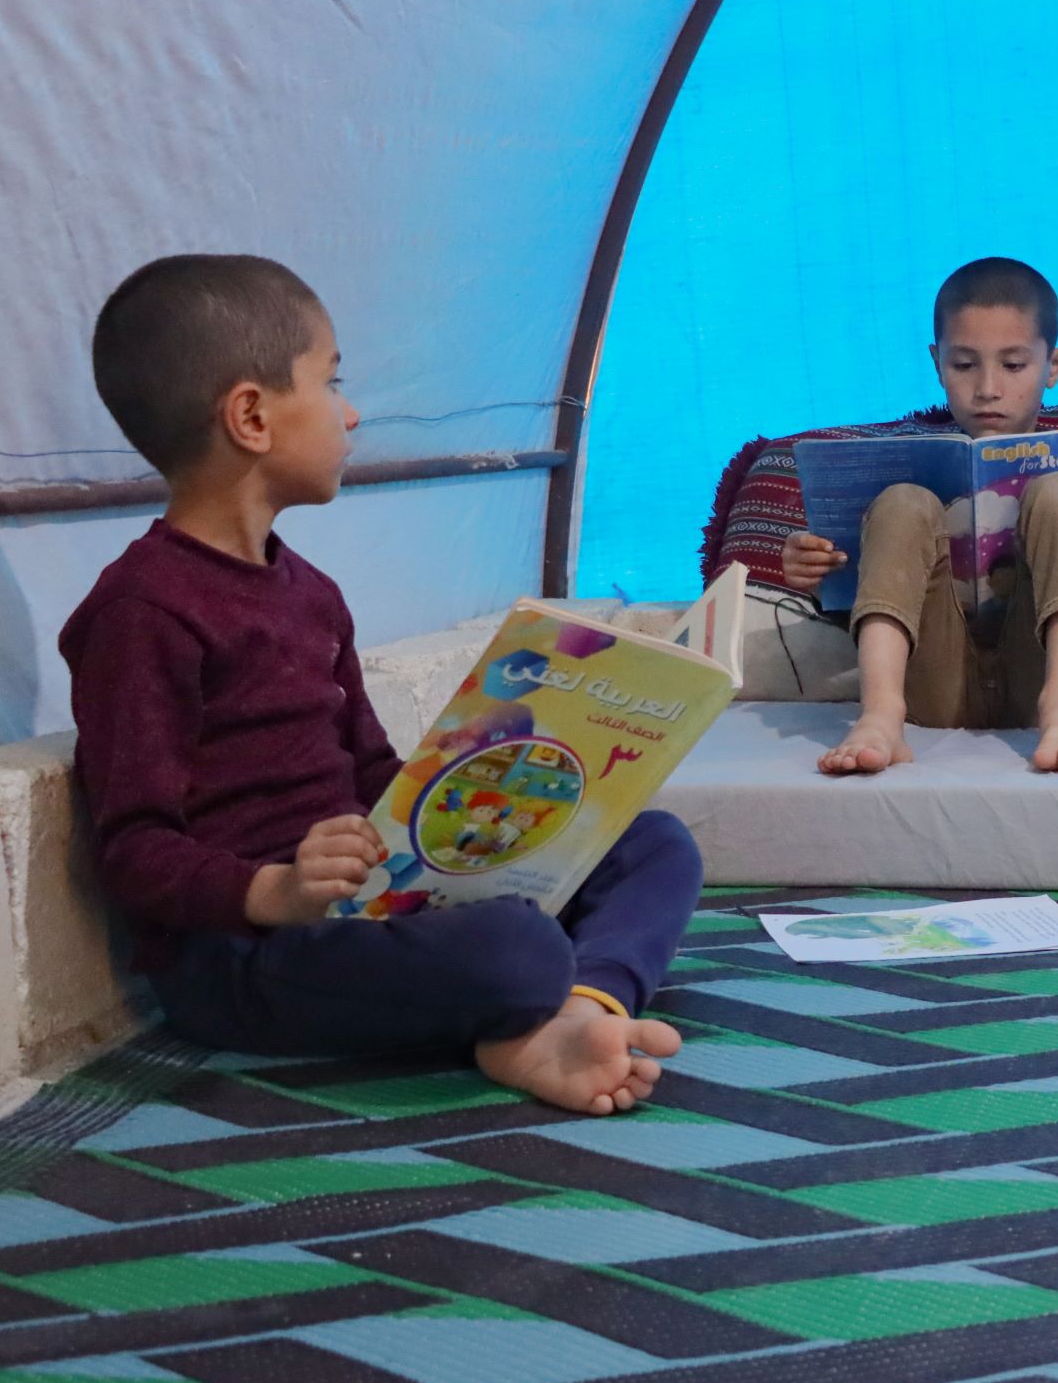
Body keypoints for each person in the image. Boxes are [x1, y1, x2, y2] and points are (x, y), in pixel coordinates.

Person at [59, 254, 695, 1114]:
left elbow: (372, 777)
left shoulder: (313, 594)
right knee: (516, 946)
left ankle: (579, 1009)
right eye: (332, 381)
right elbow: (134, 849)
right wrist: (277, 891)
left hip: (374, 900)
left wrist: (483, 806)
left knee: (654, 842)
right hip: (247, 956)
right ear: (251, 415)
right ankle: (536, 999)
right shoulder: (141, 612)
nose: (351, 412)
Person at [777, 258, 1058, 775]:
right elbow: (863, 610)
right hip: (932, 687)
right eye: (964, 365)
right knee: (901, 501)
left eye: (1013, 365)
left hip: (1040, 676)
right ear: (937, 362)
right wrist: (817, 576)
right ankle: (880, 716)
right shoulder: (911, 467)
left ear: (1054, 364)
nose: (987, 388)